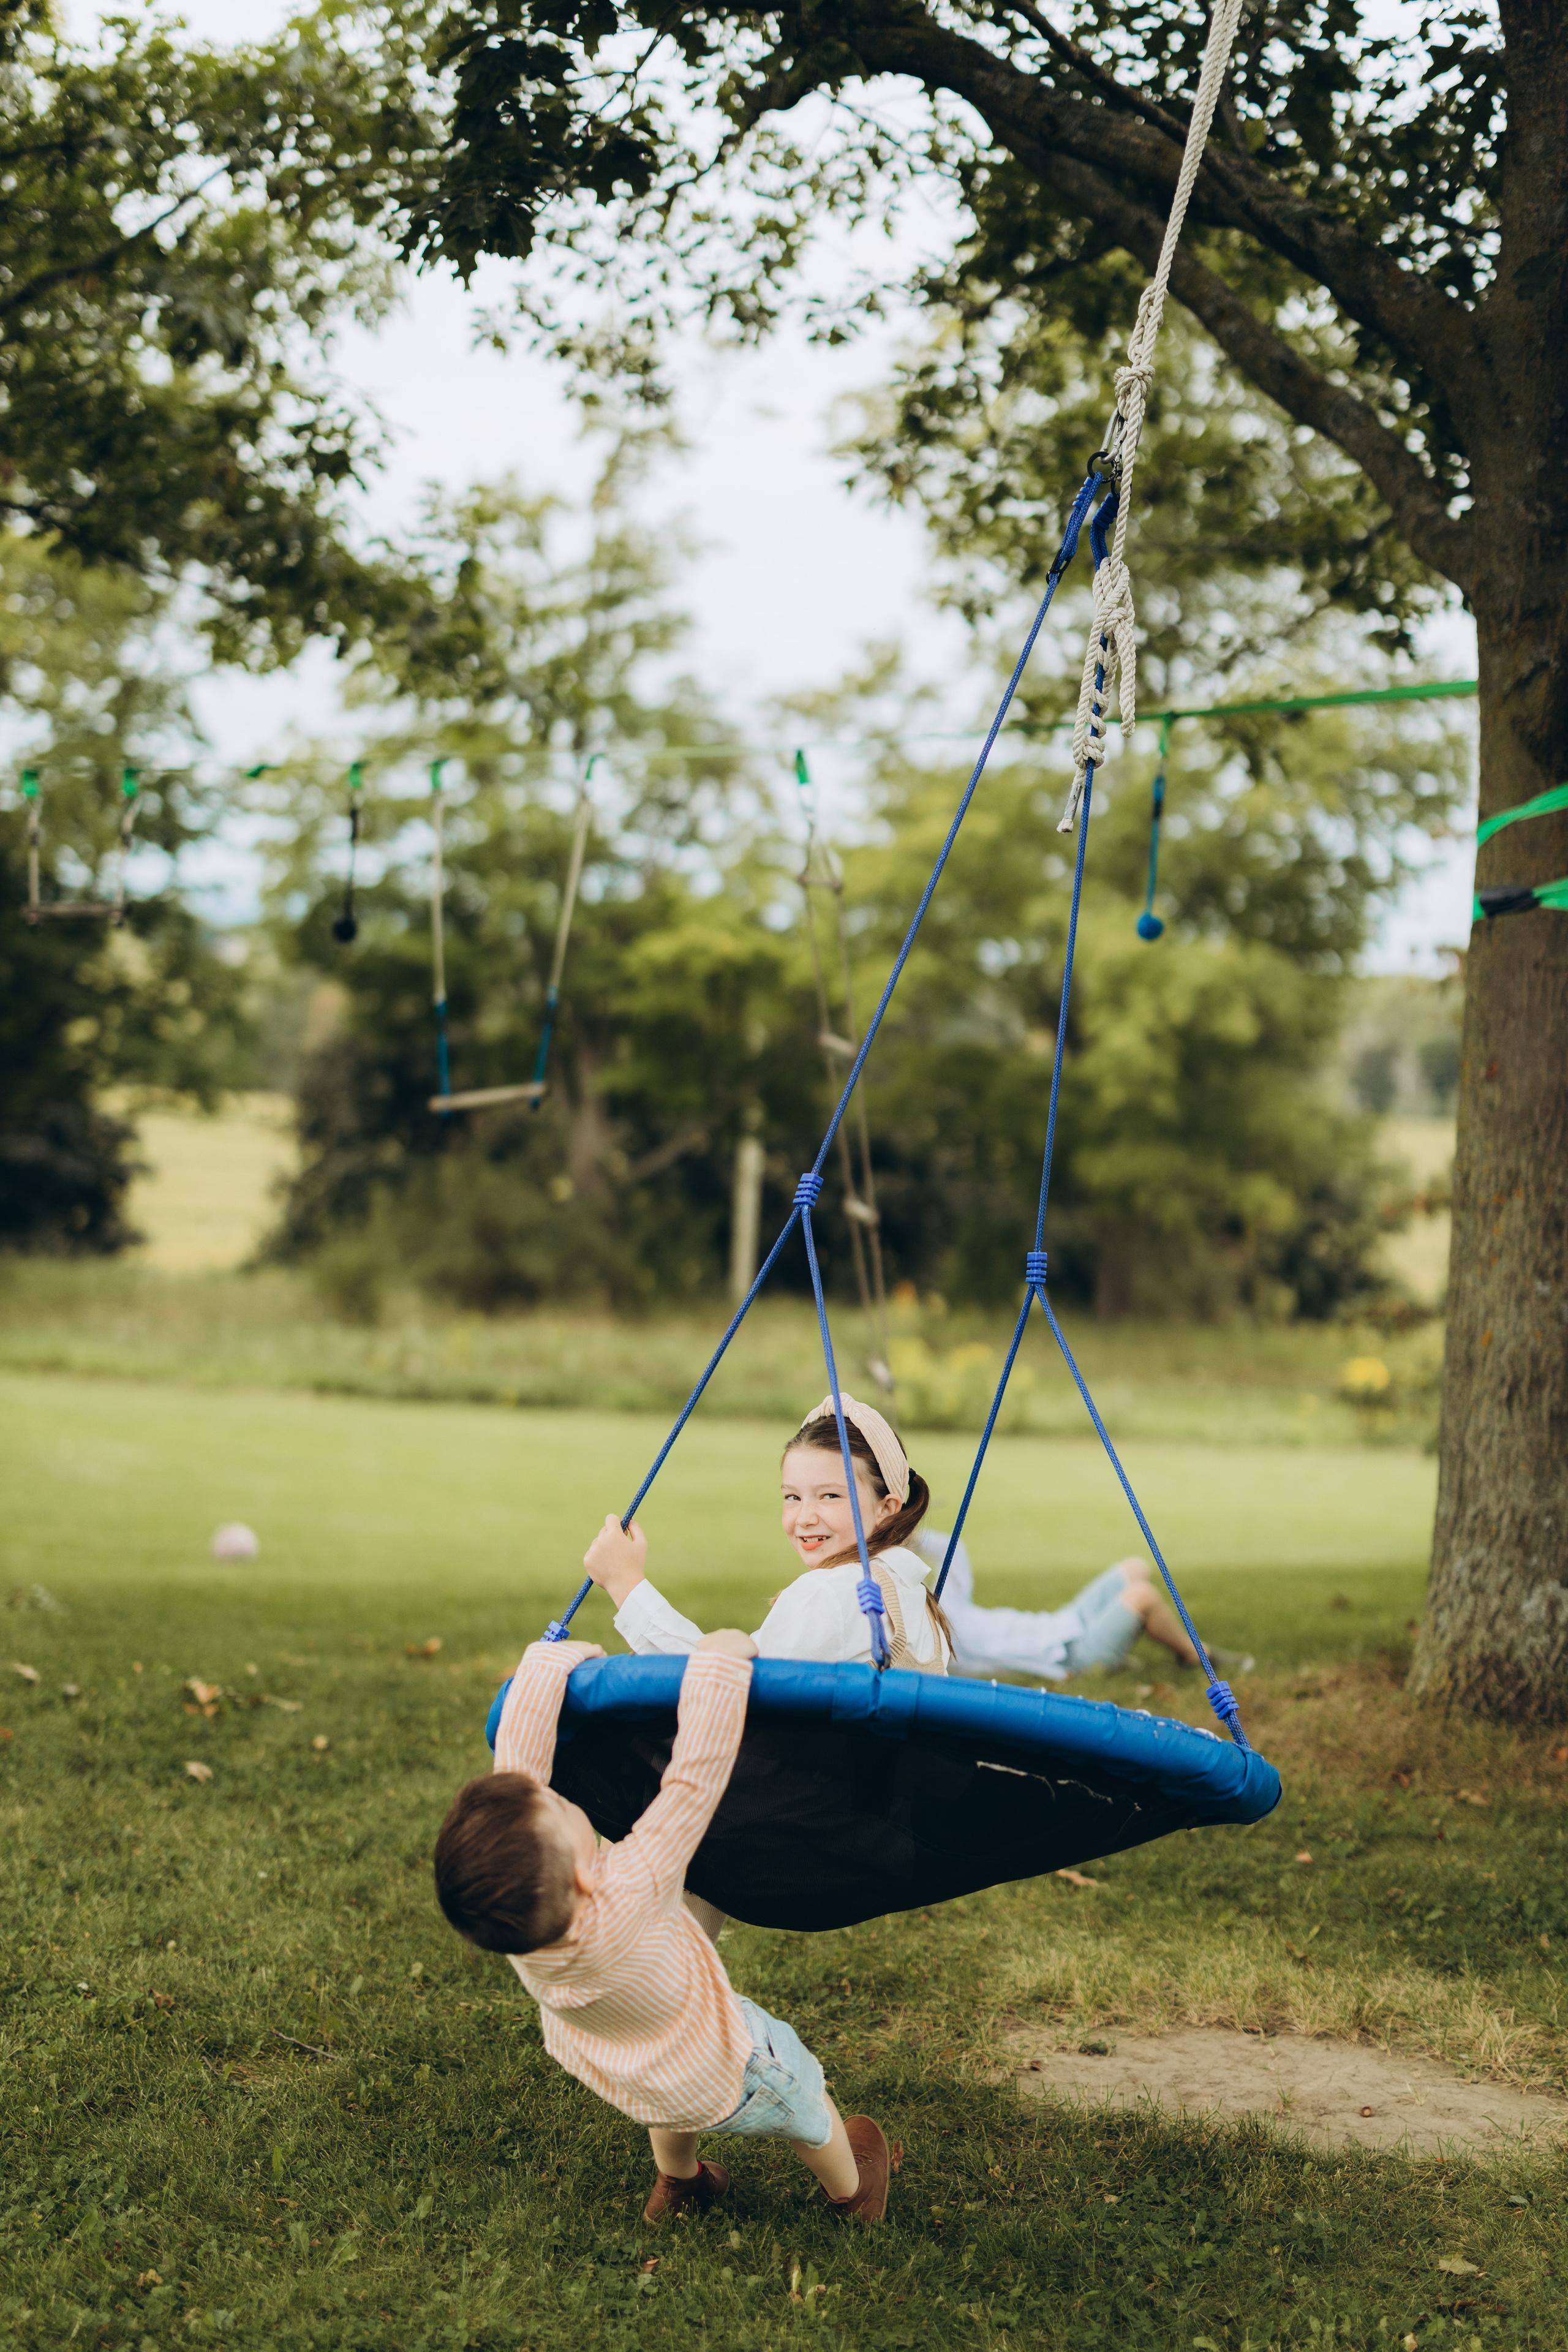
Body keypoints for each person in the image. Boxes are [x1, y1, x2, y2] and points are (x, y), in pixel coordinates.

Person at [433, 1599, 892, 2226]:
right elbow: (691, 1784)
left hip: (633, 2073)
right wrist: (717, 1668)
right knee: (805, 2103)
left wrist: (549, 1664)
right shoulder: (631, 1883)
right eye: (563, 1813)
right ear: (580, 1875)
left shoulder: (520, 1924)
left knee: (670, 2108)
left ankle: (681, 2185)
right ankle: (852, 2192)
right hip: (729, 2061)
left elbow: (520, 1770)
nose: (562, 1800)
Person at [590, 1392, 952, 1673]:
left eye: (830, 1495)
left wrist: (626, 1584)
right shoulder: (919, 1599)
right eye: (792, 1497)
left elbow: (717, 1681)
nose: (805, 1517)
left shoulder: (833, 1592)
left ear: (887, 1510)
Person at [908, 1526, 1224, 1681]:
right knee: (1142, 1595)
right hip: (1072, 1657)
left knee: (1134, 1568)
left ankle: (1154, 1643)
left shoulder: (942, 1603)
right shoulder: (933, 1645)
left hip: (1064, 1622)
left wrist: (907, 1535)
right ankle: (1195, 1655)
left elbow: (955, 1549)